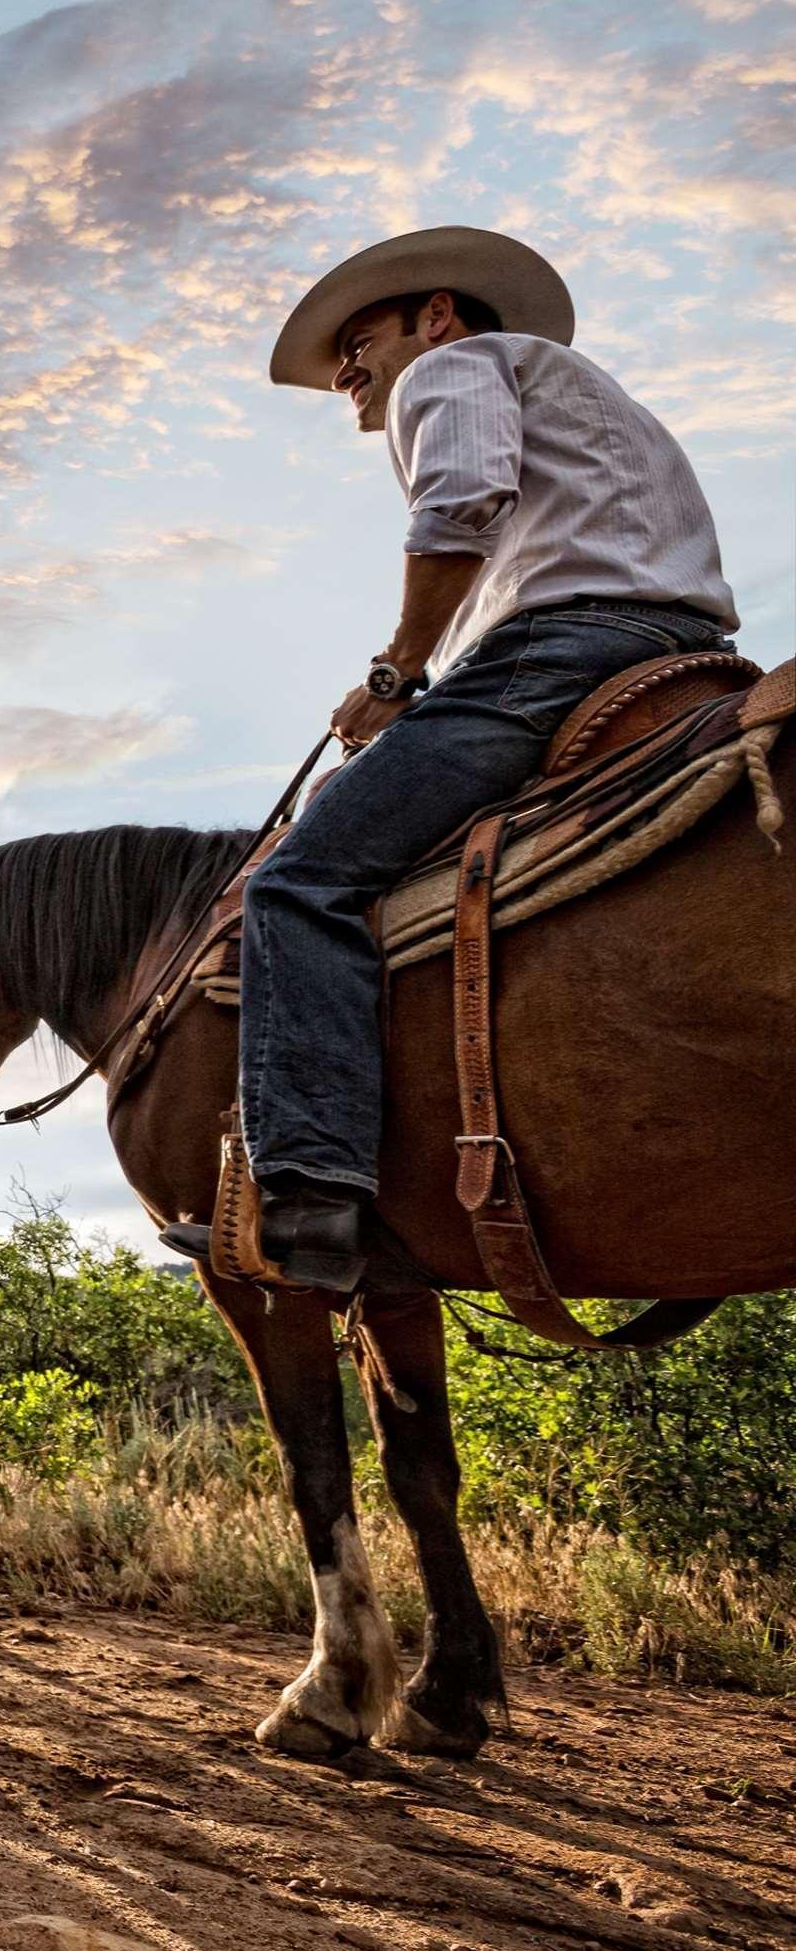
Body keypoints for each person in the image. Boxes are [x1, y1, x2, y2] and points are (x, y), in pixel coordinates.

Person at [191, 225, 738, 1290]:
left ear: (436, 314)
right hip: (674, 644)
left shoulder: (452, 369)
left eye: (359, 340)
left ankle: (312, 1196)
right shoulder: (581, 398)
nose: (347, 370)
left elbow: (460, 503)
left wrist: (397, 676)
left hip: (558, 651)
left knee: (302, 879)